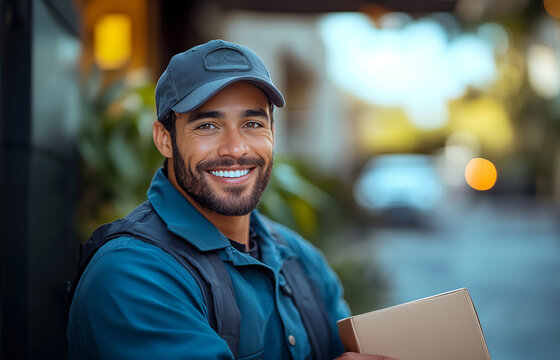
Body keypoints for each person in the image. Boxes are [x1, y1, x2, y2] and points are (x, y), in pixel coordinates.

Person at [67, 39, 394, 360]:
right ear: (165, 139)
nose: (236, 148)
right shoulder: (130, 274)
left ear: (273, 135)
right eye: (208, 125)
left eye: (252, 123)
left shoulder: (302, 260)